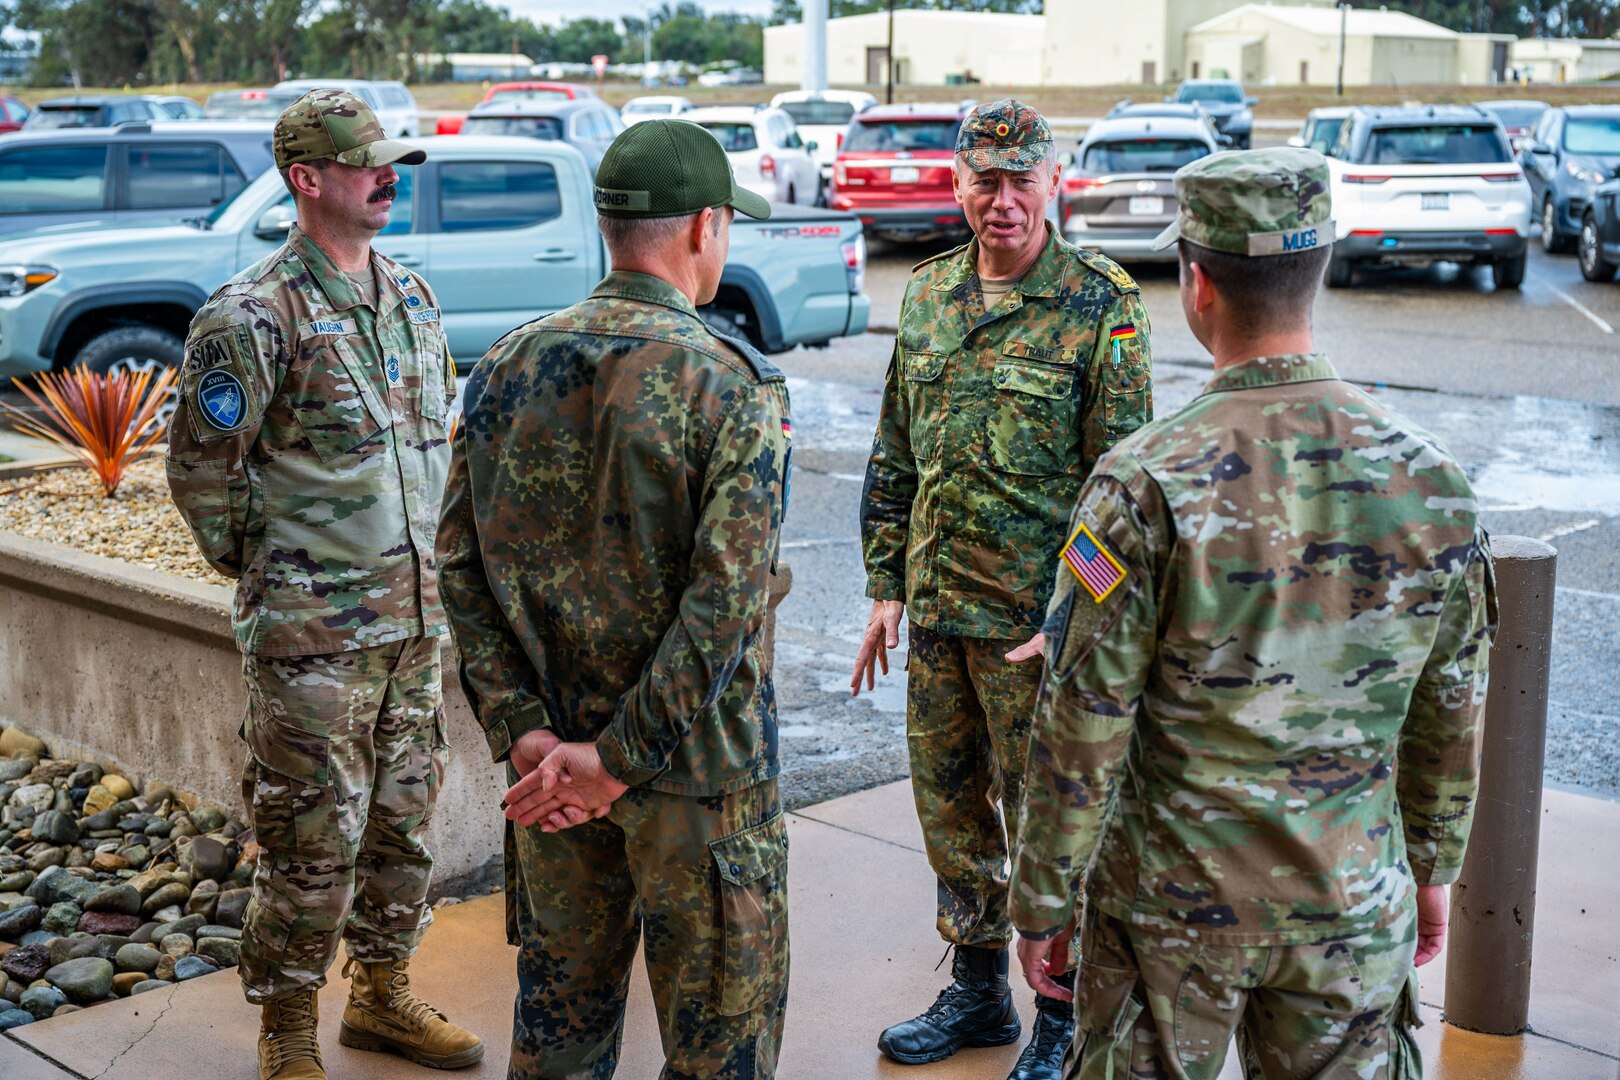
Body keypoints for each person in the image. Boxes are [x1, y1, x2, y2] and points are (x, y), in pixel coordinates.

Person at [1010, 147, 1497, 1079]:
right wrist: (1431, 869)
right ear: (1320, 271)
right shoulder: (1433, 481)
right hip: (1348, 897)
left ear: (1196, 283)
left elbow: (1082, 720)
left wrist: (1043, 897)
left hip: (1169, 911)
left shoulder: (1141, 481)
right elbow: (1453, 709)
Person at [436, 118, 792, 1079]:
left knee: (560, 1037)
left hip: (551, 773)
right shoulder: (731, 384)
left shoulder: (506, 366)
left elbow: (460, 571)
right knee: (720, 1049)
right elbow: (725, 605)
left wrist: (526, 730)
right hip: (697, 789)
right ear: (703, 228)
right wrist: (621, 760)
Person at [166, 89, 483, 1080]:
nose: (387, 179)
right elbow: (201, 471)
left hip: (415, 629)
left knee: (403, 820)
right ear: (307, 180)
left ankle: (381, 996)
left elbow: (443, 453)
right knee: (310, 839)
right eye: (365, 163)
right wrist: (277, 576)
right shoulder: (253, 314)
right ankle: (288, 1028)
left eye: (393, 163)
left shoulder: (414, 300)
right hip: (314, 645)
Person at [851, 98, 1152, 1079]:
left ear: (1053, 182)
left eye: (1023, 178)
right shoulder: (932, 294)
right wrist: (886, 585)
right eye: (986, 177)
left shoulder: (1101, 303)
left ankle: (1062, 1013)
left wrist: (1077, 610)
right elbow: (896, 456)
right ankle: (978, 991)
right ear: (958, 182)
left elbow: (1126, 497)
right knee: (952, 810)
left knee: (1053, 823)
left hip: (1039, 631)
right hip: (939, 618)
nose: (1004, 199)